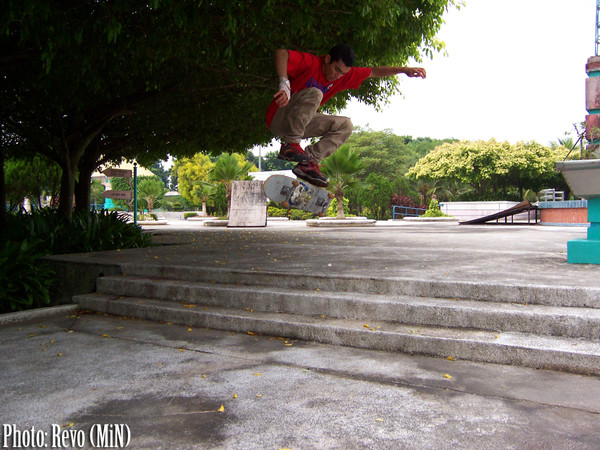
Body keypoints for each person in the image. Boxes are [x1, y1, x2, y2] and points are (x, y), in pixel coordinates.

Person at [265, 44, 426, 187]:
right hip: (279, 116)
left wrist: (404, 70)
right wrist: (284, 83)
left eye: (343, 73)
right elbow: (282, 53)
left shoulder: (343, 76)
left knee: (345, 125)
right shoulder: (312, 63)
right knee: (316, 93)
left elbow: (373, 71)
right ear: (328, 59)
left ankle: (309, 162)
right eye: (336, 69)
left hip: (299, 124)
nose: (338, 76)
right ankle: (291, 144)